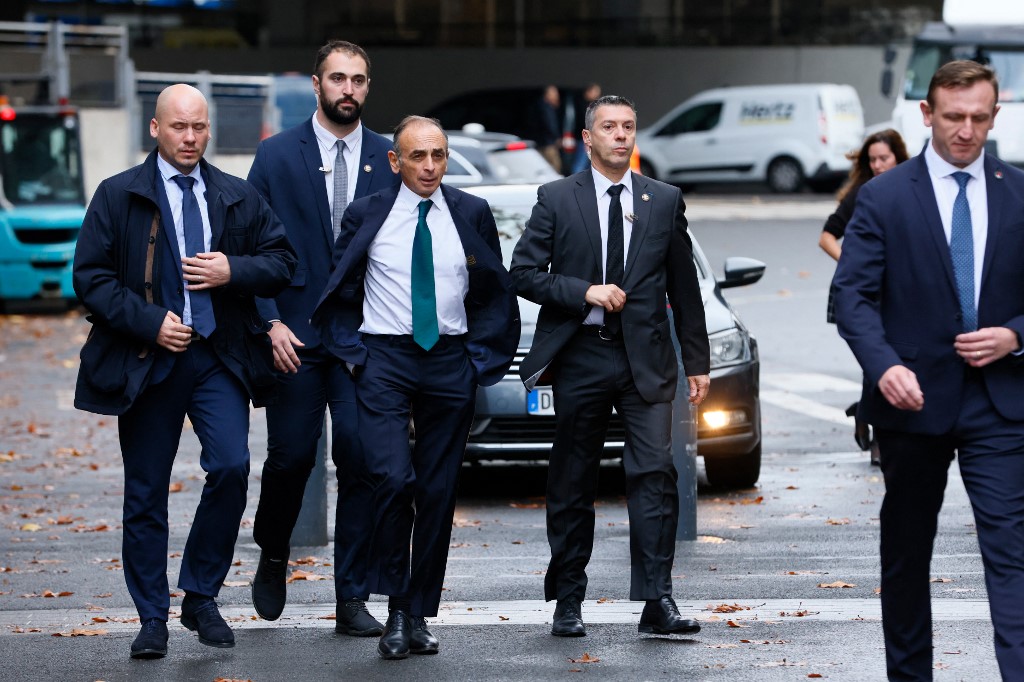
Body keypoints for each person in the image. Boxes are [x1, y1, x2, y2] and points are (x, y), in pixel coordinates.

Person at [72, 84, 296, 659]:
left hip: (218, 356)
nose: (190, 138)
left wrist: (232, 270)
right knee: (146, 490)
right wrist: (150, 323)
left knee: (231, 467)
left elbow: (281, 262)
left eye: (199, 127)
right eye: (179, 127)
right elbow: (91, 278)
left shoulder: (236, 195)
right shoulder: (118, 194)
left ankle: (200, 594)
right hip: (148, 360)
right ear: (155, 128)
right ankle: (152, 617)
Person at [834, 60, 1024, 680]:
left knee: (1013, 555)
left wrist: (1015, 335)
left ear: (995, 116)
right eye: (953, 117)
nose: (966, 130)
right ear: (926, 114)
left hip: (1001, 402)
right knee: (907, 555)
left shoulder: (1019, 192)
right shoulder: (884, 196)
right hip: (910, 402)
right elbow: (852, 298)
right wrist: (884, 366)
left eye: (979, 118)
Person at [310, 115, 520, 660]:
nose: (429, 166)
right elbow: (340, 286)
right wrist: (354, 355)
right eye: (418, 156)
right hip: (384, 359)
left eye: (438, 155)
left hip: (449, 361)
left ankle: (414, 613)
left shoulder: (471, 211)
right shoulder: (367, 213)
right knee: (392, 478)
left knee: (437, 491)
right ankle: (397, 605)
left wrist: (476, 359)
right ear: (394, 160)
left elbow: (493, 288)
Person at [510, 95, 710, 638]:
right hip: (582, 354)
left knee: (655, 475)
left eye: (628, 127)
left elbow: (684, 287)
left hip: (647, 359)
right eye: (609, 127)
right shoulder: (557, 197)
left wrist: (697, 360)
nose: (620, 135)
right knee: (573, 478)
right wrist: (585, 292)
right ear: (588, 137)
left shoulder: (662, 199)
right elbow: (523, 272)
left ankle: (657, 599)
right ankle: (568, 600)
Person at [246, 39, 400, 634]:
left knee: (360, 459)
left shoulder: (389, 156)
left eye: (358, 80)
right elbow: (247, 245)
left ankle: (351, 597)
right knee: (290, 458)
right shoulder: (276, 155)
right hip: (295, 335)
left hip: (365, 338)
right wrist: (268, 321)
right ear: (317, 84)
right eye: (337, 78)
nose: (348, 89)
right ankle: (273, 551)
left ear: (368, 86)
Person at [819, 129, 909, 465]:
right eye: (872, 160)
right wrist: (856, 265)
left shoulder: (913, 187)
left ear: (898, 157)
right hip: (865, 290)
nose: (878, 165)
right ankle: (877, 435)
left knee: (892, 354)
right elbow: (827, 237)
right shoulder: (864, 192)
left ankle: (866, 412)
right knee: (876, 356)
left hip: (899, 289)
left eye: (884, 158)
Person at [569, 83, 601, 173]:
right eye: (595, 92)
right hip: (584, 139)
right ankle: (575, 180)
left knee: (588, 165)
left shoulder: (591, 106)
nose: (597, 95)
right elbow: (585, 122)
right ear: (588, 92)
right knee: (580, 164)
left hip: (589, 139)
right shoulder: (583, 105)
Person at [535, 85, 562, 173]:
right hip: (548, 143)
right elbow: (550, 124)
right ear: (547, 95)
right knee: (555, 168)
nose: (557, 96)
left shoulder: (540, 106)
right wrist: (556, 137)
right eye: (554, 93)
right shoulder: (546, 108)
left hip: (541, 142)